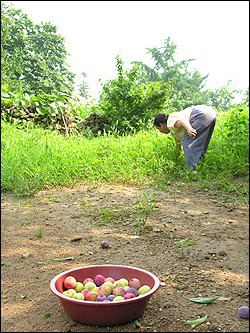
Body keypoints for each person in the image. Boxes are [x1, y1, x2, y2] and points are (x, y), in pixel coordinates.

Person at [154, 105, 216, 171]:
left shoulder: (169, 122)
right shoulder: (174, 131)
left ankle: (193, 171)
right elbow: (179, 146)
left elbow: (182, 121)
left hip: (199, 114)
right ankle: (200, 168)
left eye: (158, 128)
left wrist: (189, 129)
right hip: (211, 113)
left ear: (162, 125)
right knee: (201, 144)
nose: (160, 131)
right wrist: (176, 159)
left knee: (187, 140)